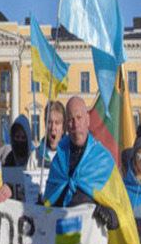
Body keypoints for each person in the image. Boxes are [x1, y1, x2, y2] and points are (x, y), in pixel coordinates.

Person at [42, 96, 121, 230]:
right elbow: (48, 203)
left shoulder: (103, 159)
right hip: (64, 241)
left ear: (88, 120)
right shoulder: (59, 159)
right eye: (71, 120)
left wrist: (109, 215)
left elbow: (120, 210)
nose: (76, 125)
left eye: (79, 118)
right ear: (67, 125)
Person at [27, 100, 65, 171]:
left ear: (63, 127)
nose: (53, 128)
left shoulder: (70, 156)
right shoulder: (35, 157)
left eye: (57, 123)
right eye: (49, 122)